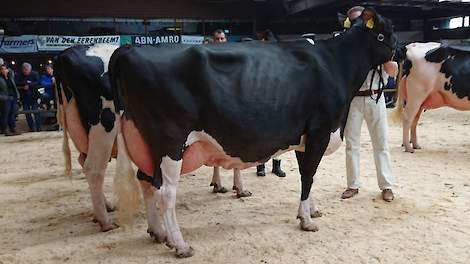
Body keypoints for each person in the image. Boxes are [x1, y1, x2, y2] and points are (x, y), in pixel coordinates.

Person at [341, 6, 398, 202]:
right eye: (353, 21)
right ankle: (352, 185)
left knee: (381, 144)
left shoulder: (377, 44)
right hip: (354, 99)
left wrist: (384, 60)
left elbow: (394, 71)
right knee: (351, 144)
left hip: (376, 97)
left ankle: (387, 186)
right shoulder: (346, 48)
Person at [16, 62, 42, 132]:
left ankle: (39, 127)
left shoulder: (35, 74)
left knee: (36, 112)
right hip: (24, 97)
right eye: (24, 70)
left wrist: (29, 84)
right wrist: (25, 84)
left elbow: (38, 82)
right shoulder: (19, 75)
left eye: (27, 70)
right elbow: (16, 83)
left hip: (34, 96)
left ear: (30, 69)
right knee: (27, 113)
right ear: (22, 70)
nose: (26, 71)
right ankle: (32, 127)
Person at [0, 63, 21, 136]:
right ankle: (5, 129)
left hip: (13, 97)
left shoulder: (10, 77)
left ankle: (13, 128)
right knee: (5, 114)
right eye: (2, 69)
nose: (4, 70)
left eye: (5, 69)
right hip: (5, 98)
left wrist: (17, 95)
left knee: (12, 114)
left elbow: (13, 86)